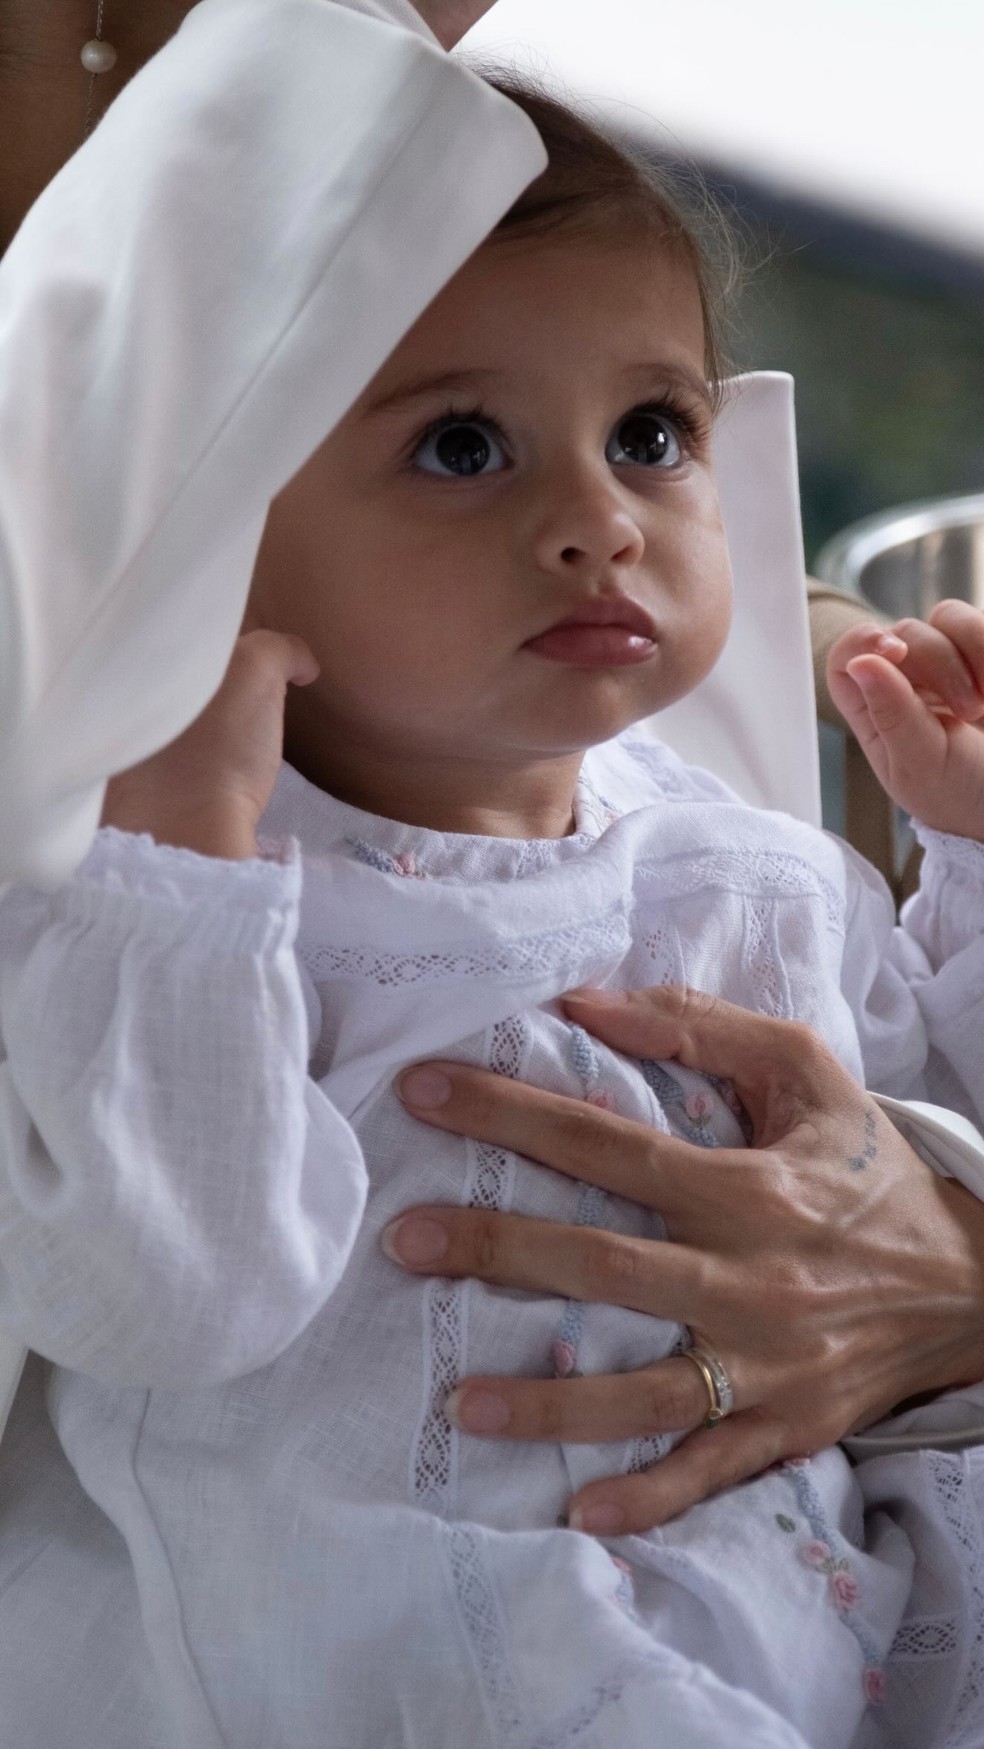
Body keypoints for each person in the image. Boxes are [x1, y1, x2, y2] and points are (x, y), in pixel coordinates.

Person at [4, 19, 984, 1739]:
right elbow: (164, 1293)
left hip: (797, 1641)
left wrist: (969, 854)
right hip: (419, 1671)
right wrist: (171, 882)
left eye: (655, 433)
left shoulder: (746, 859)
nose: (600, 518)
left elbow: (924, 1105)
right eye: (464, 447)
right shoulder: (190, 890)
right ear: (229, 534)